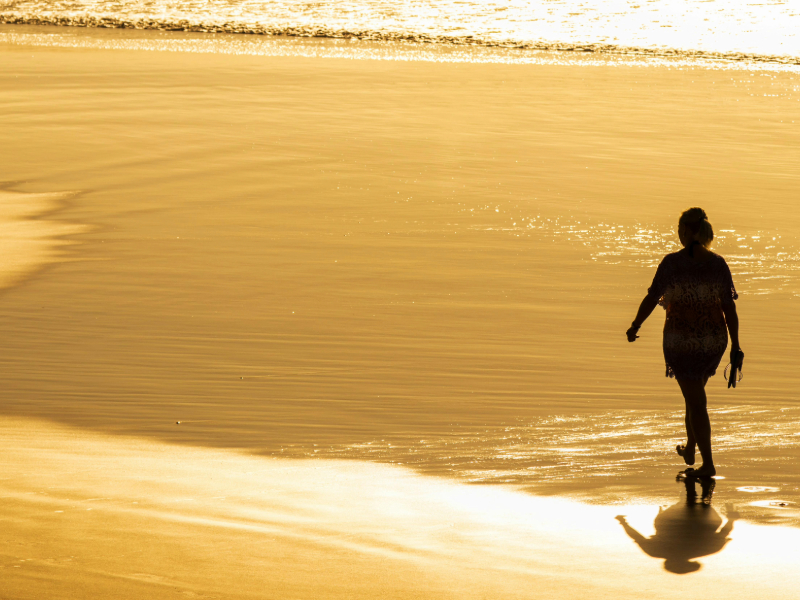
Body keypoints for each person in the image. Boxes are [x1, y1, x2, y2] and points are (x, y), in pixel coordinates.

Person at [626, 208, 742, 478]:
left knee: (696, 400)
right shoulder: (718, 264)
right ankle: (691, 448)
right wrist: (736, 345)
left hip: (681, 344)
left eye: (680, 229)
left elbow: (652, 297)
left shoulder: (672, 264)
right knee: (694, 395)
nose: (678, 233)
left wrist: (635, 325)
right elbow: (729, 308)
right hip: (712, 342)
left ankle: (708, 464)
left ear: (688, 231)